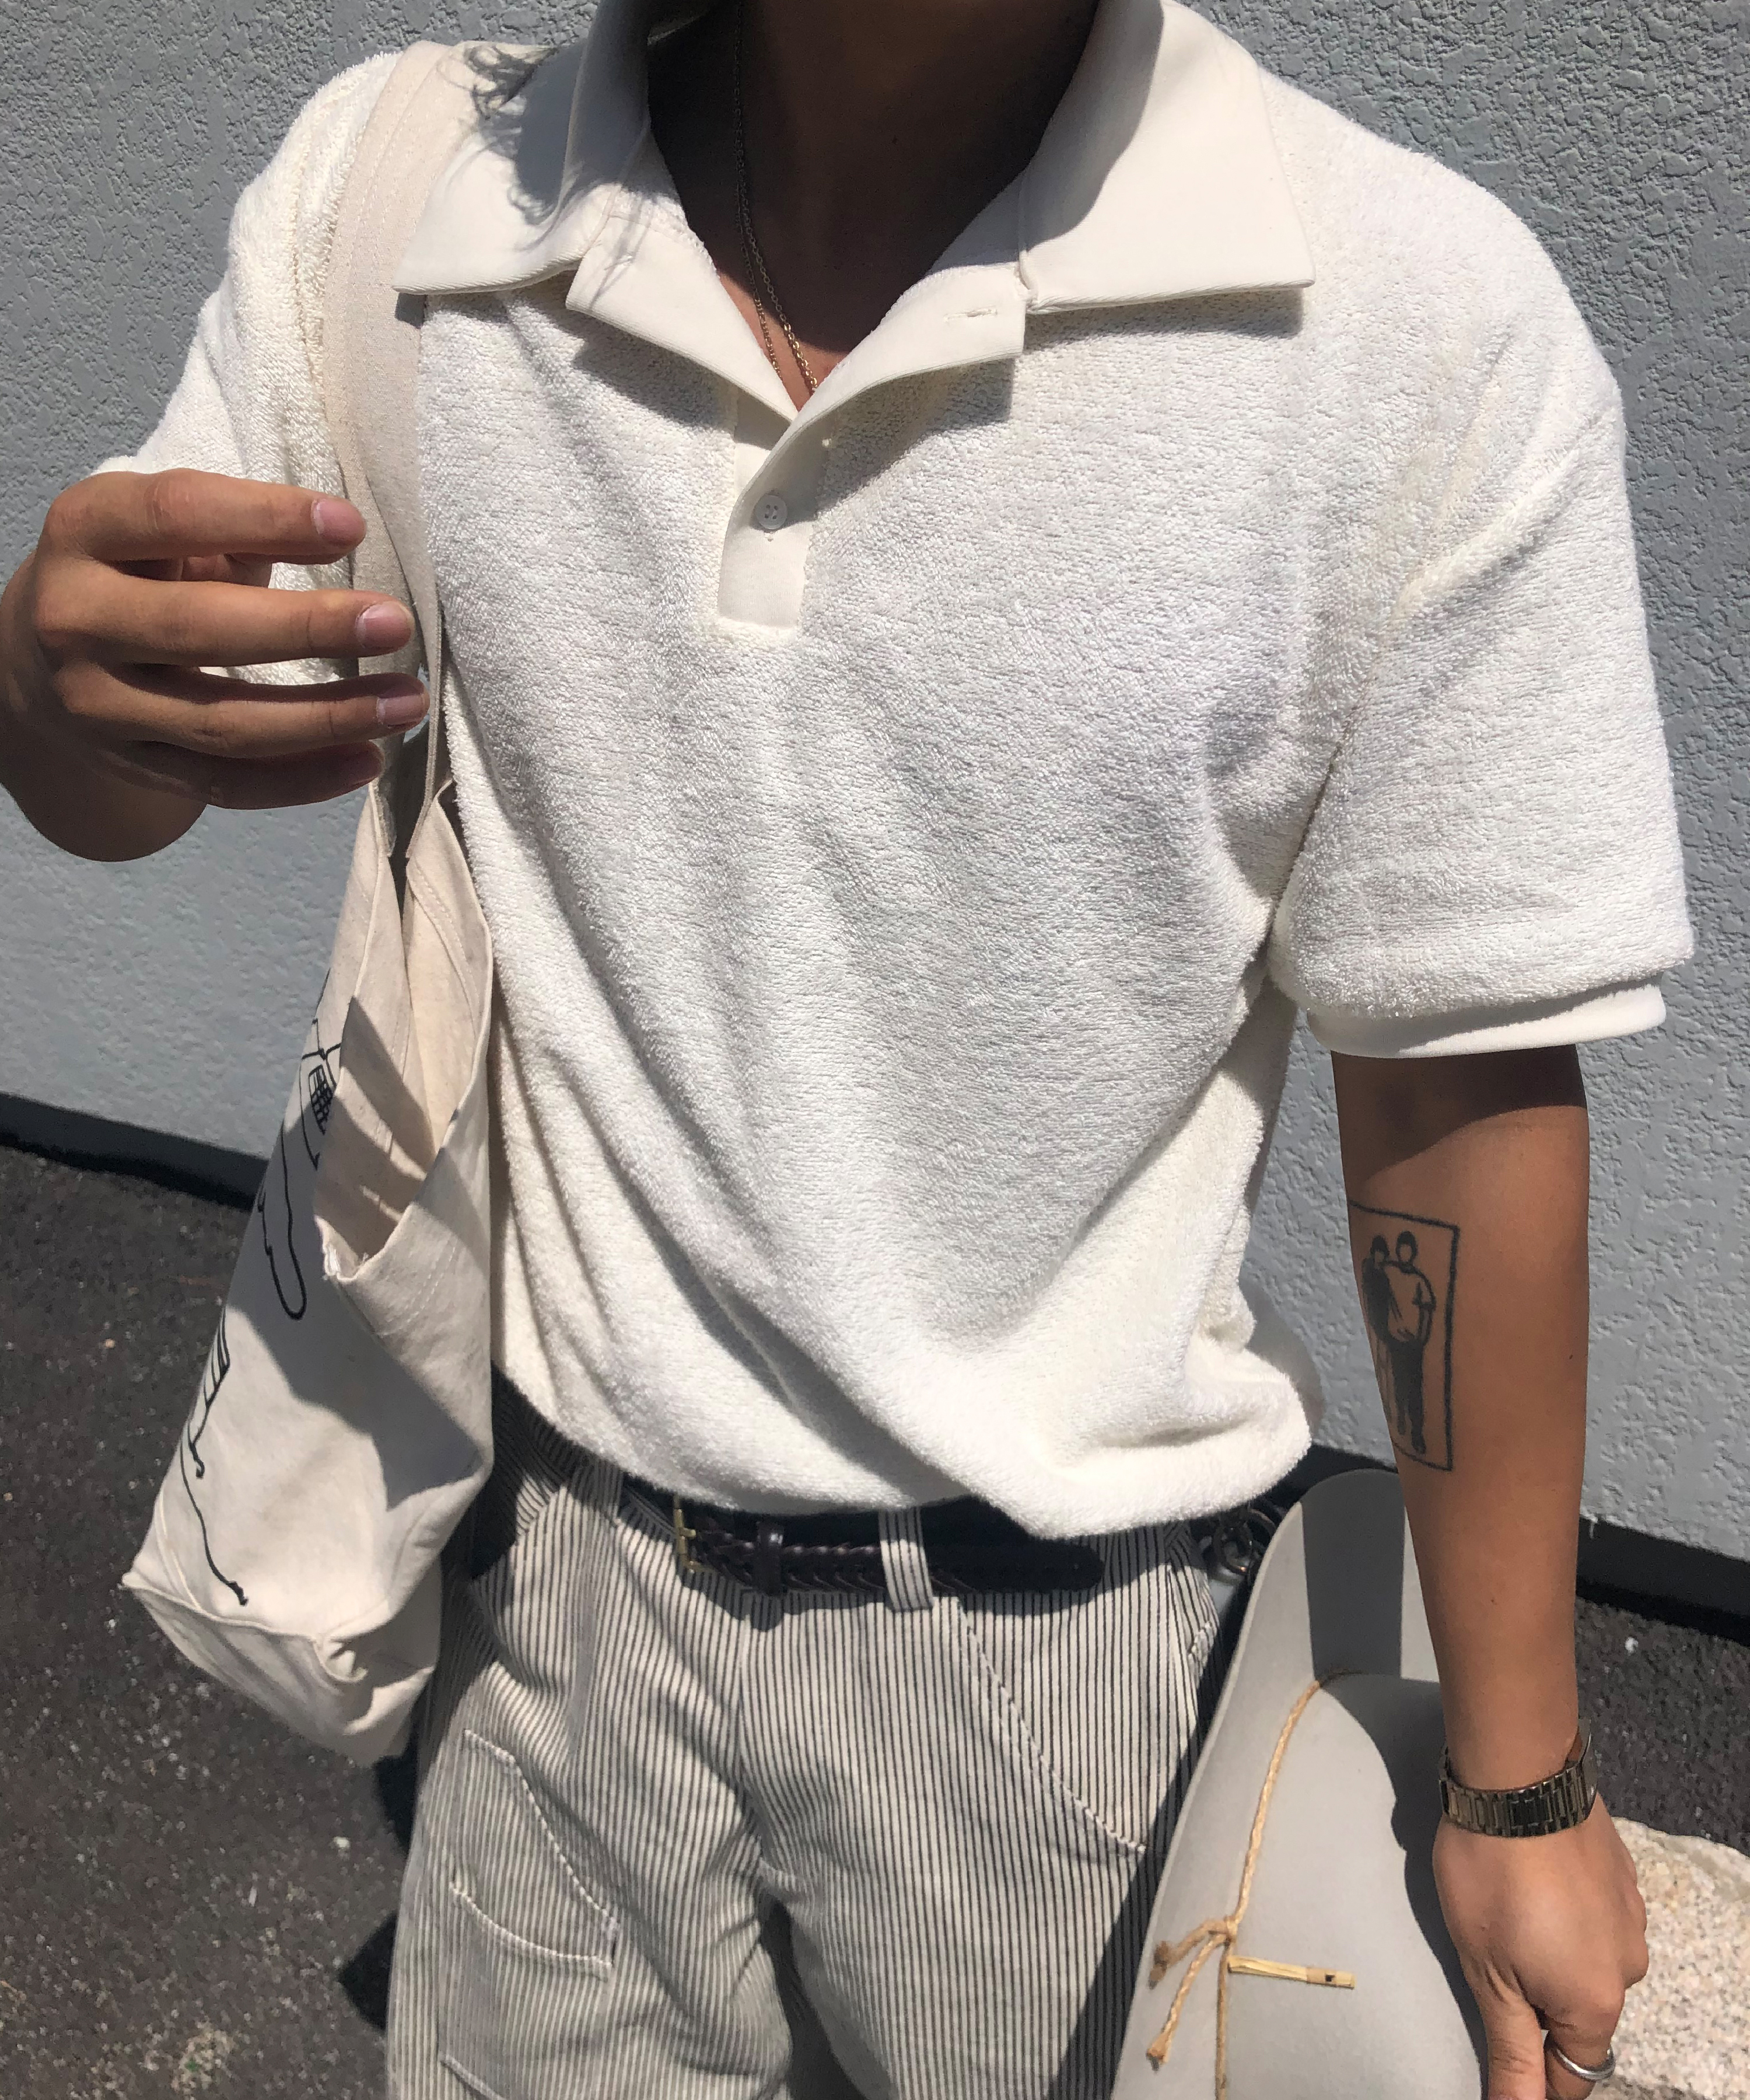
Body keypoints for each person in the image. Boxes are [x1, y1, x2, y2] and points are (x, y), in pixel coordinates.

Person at [0, 1, 1689, 2094]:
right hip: (554, 1610)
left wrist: (1520, 1779)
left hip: (1073, 1679)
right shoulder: (406, 209)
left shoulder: (1407, 325)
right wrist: (49, 699)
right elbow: (120, 777)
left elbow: (1455, 1073)